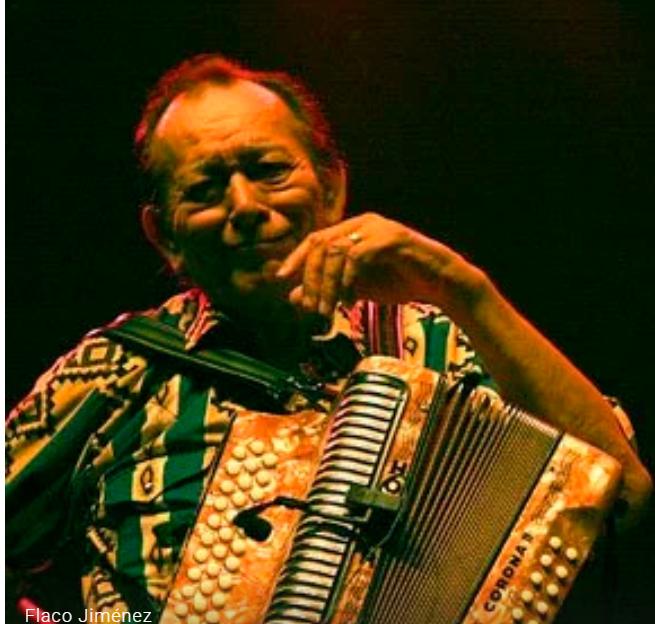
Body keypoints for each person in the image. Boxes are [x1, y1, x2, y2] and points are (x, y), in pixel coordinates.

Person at [6, 54, 652, 620]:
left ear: (332, 187)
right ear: (164, 235)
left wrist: (462, 288)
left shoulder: (443, 343)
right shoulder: (114, 371)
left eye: (268, 170)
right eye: (204, 189)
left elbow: (621, 500)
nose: (244, 206)